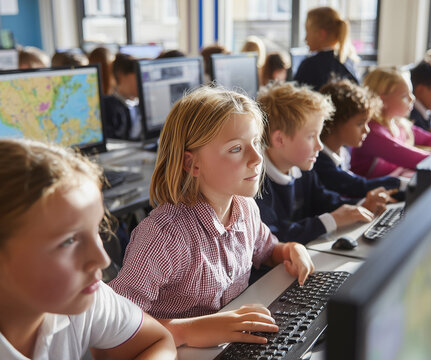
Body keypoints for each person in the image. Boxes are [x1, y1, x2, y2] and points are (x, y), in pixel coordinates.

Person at [0, 138, 176, 359]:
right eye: (68, 241)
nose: (101, 260)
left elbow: (157, 341)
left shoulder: (85, 295)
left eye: (96, 228)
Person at [109, 86, 315, 348]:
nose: (256, 158)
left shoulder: (246, 208)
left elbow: (267, 250)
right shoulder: (163, 237)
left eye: (255, 143)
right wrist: (186, 330)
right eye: (235, 149)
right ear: (191, 164)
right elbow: (113, 331)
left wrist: (290, 250)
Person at [255, 82, 389, 246]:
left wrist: (361, 205)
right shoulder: (254, 183)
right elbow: (275, 235)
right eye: (311, 136)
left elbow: (324, 201)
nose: (319, 146)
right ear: (279, 139)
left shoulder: (301, 168)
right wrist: (331, 220)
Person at [350, 67, 431, 179]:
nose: (412, 99)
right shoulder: (372, 132)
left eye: (411, 93)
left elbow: (430, 139)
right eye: (405, 96)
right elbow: (417, 159)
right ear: (382, 101)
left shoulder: (399, 124)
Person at [316, 79, 402, 198]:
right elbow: (356, 186)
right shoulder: (319, 161)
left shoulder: (343, 153)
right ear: (334, 121)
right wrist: (401, 184)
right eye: (360, 123)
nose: (366, 130)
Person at [294, 6, 360, 90]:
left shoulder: (310, 66)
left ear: (321, 34)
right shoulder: (348, 62)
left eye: (308, 32)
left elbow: (294, 100)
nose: (305, 38)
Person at [102, 53, 142, 140]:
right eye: (137, 77)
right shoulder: (108, 107)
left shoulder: (139, 105)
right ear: (121, 76)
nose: (141, 82)